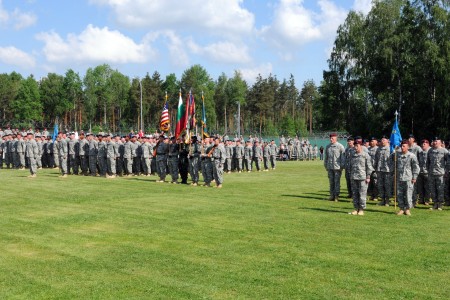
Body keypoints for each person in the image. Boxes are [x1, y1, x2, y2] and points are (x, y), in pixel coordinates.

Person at [392, 140, 420, 216]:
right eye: (401, 146)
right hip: (400, 178)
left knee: (408, 194)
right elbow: (393, 163)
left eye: (404, 146)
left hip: (408, 178)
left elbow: (416, 167)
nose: (402, 147)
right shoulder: (398, 155)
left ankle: (407, 209)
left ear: (408, 147)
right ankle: (401, 209)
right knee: (400, 194)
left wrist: (414, 177)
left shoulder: (411, 155)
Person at [348, 139, 373, 215]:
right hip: (354, 177)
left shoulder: (365, 155)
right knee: (355, 194)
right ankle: (356, 208)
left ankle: (361, 209)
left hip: (363, 177)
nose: (355, 147)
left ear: (361, 146)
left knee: (362, 194)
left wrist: (368, 177)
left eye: (357, 146)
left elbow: (369, 167)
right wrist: (350, 174)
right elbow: (349, 165)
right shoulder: (352, 154)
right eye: (355, 146)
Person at [426, 137, 449, 211]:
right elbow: (427, 162)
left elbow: (448, 162)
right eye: (434, 141)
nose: (434, 142)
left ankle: (440, 204)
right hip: (431, 173)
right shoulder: (430, 150)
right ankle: (435, 203)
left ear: (440, 142)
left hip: (440, 173)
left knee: (440, 189)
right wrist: (428, 170)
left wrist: (446, 171)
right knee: (432, 189)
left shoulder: (444, 151)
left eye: (436, 141)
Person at [324, 133, 345, 201]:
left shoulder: (340, 146)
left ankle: (336, 196)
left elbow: (343, 157)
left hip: (337, 168)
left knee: (337, 182)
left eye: (332, 138)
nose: (331, 139)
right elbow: (326, 157)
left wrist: (342, 166)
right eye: (330, 138)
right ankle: (331, 195)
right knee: (331, 182)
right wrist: (325, 165)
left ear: (336, 138)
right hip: (330, 167)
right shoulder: (328, 147)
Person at [375, 135, 392, 206]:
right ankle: (382, 199)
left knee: (387, 186)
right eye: (382, 140)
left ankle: (387, 200)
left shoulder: (390, 149)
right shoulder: (378, 149)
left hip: (387, 170)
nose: (382, 141)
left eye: (384, 140)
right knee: (380, 185)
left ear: (387, 141)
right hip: (379, 170)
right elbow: (376, 159)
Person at [417, 139, 431, 205]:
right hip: (420, 172)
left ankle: (427, 200)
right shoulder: (420, 153)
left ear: (428, 144)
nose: (423, 144)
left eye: (425, 143)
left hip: (427, 172)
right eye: (422, 143)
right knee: (420, 187)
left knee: (427, 187)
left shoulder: (430, 152)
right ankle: (421, 199)